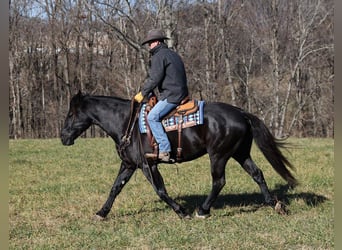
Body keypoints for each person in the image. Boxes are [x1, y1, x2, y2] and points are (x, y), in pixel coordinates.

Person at [134, 29, 189, 162]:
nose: (149, 46)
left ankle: (164, 150)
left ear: (157, 42)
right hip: (180, 93)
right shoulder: (173, 54)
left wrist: (143, 93)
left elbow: (154, 79)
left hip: (172, 95)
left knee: (152, 117)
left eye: (150, 43)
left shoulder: (158, 56)